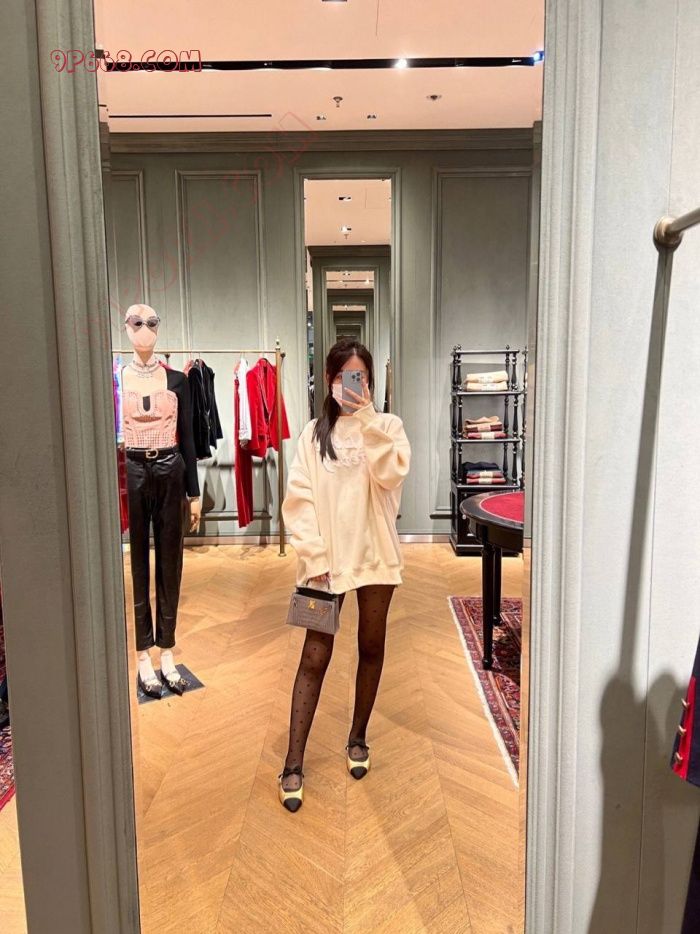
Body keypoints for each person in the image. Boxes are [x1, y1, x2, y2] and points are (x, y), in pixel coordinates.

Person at [278, 339, 411, 812]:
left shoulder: (389, 427)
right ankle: (293, 762)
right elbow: (298, 498)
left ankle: (358, 737)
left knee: (371, 647)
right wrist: (313, 556)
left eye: (359, 377)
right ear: (329, 380)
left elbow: (390, 475)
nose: (350, 385)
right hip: (326, 563)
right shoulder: (313, 435)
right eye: (342, 377)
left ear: (370, 382)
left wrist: (369, 416)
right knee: (314, 656)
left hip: (376, 557)